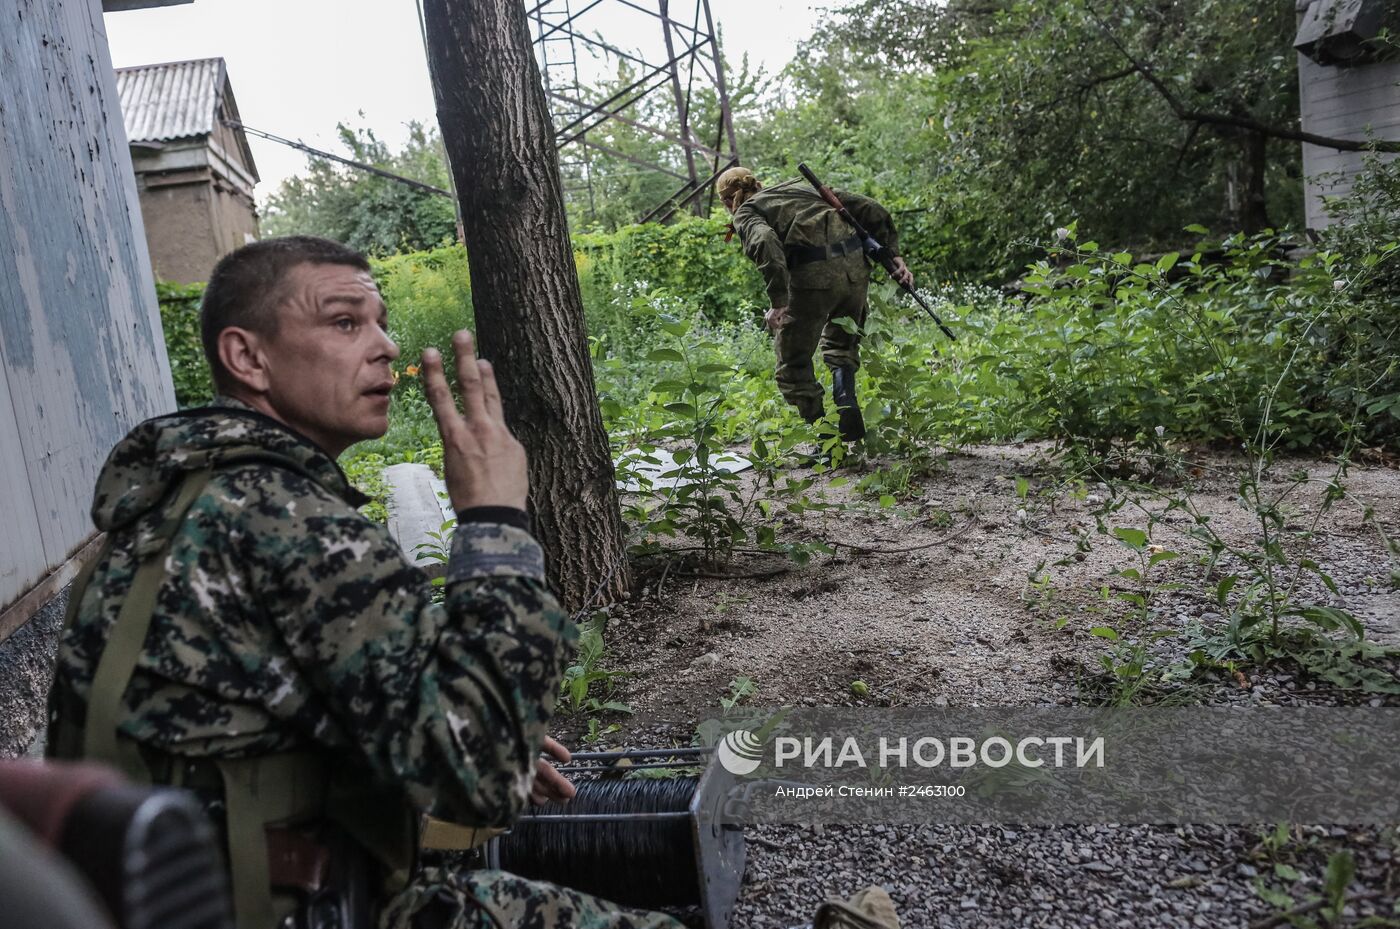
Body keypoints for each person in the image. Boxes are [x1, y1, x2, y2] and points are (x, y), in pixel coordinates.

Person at [46, 236, 681, 929]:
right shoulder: (292, 522)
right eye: (346, 322)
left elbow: (256, 717)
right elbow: (481, 781)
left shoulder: (178, 502)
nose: (384, 345)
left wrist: (453, 722)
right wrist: (495, 519)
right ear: (247, 357)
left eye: (381, 321)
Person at [718, 166, 913, 446]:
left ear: (727, 201)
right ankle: (846, 399)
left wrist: (779, 303)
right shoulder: (800, 189)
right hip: (855, 272)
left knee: (792, 364)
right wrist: (893, 255)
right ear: (757, 183)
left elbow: (764, 243)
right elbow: (870, 207)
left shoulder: (746, 212)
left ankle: (825, 440)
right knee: (842, 345)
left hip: (814, 281)